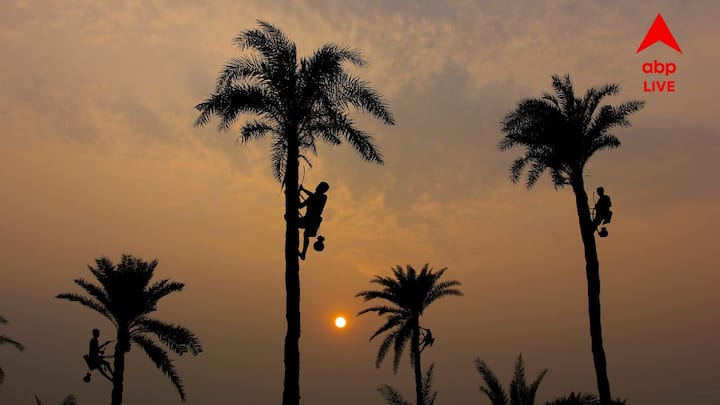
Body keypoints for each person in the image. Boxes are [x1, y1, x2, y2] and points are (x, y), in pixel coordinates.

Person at [298, 182, 329, 260]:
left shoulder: (323, 197)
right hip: (308, 219)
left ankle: (303, 253)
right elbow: (300, 206)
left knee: (306, 234)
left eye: (319, 186)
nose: (317, 186)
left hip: (313, 221)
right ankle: (303, 254)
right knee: (305, 234)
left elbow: (314, 197)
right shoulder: (312, 197)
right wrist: (297, 195)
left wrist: (302, 189)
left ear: (323, 190)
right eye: (318, 185)